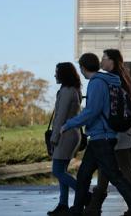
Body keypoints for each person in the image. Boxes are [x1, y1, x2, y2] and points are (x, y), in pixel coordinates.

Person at [62, 53, 131, 216]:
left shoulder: (97, 83)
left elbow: (92, 111)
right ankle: (78, 208)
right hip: (99, 137)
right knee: (84, 174)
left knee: (114, 176)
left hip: (103, 137)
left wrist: (69, 124)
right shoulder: (108, 81)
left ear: (82, 67)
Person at [85, 49, 131, 215]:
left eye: (104, 58)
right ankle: (95, 206)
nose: (101, 62)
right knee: (106, 166)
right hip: (122, 127)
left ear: (113, 61)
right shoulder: (122, 78)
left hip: (119, 128)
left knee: (121, 165)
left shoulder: (114, 80)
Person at [47, 62, 82, 216]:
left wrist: (54, 138)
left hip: (65, 134)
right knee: (62, 171)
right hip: (70, 134)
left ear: (64, 74)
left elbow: (60, 117)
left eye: (57, 72)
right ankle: (63, 204)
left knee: (57, 171)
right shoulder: (71, 90)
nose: (55, 75)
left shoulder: (67, 91)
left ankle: (85, 195)